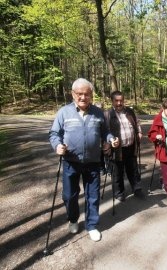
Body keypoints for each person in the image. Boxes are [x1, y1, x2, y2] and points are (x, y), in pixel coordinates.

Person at [49, 78, 119, 242]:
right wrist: (57, 146)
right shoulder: (64, 112)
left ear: (91, 95)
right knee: (69, 196)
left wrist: (111, 139)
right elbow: (54, 134)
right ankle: (73, 219)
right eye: (79, 94)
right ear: (73, 94)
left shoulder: (98, 112)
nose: (83, 97)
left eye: (86, 94)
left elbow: (105, 132)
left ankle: (92, 225)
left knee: (92, 195)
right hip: (70, 162)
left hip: (93, 162)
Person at [103, 91, 143, 202]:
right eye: (116, 100)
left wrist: (139, 133)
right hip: (116, 149)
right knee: (117, 172)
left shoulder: (130, 112)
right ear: (112, 101)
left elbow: (137, 123)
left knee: (133, 169)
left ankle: (137, 188)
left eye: (121, 100)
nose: (119, 103)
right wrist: (109, 143)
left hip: (131, 146)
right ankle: (119, 193)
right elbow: (104, 131)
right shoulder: (107, 114)